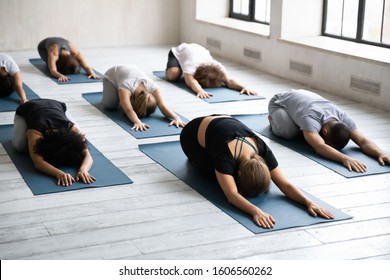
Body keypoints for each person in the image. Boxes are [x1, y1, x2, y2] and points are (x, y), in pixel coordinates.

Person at [180, 114, 333, 228]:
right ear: (238, 173)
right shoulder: (224, 154)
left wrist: (309, 203)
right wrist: (255, 211)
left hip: (222, 122)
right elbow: (232, 195)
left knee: (223, 174)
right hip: (191, 135)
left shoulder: (262, 149)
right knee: (213, 176)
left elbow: (284, 184)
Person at [268, 89, 390, 173]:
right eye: (329, 144)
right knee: (290, 132)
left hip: (301, 99)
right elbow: (320, 147)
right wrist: (345, 158)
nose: (327, 145)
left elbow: (362, 140)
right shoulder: (310, 119)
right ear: (325, 131)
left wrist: (381, 153)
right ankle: (272, 120)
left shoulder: (343, 118)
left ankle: (299, 124)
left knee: (306, 134)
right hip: (279, 103)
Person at [12, 98, 96, 186]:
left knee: (80, 137)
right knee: (21, 146)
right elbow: (37, 162)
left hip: (57, 105)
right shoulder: (35, 131)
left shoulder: (73, 129)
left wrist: (83, 170)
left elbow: (88, 156)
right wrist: (59, 173)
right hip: (27, 108)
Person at [102, 64, 186, 131]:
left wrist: (176, 117)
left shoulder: (154, 87)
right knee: (110, 105)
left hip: (130, 71)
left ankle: (125, 98)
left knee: (124, 100)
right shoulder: (126, 85)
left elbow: (162, 106)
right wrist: (137, 122)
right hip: (111, 76)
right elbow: (129, 110)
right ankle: (121, 95)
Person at [165, 43, 256, 99]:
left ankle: (182, 66)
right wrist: (200, 91)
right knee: (173, 75)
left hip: (198, 50)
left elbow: (229, 80)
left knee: (184, 73)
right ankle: (179, 65)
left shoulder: (218, 66)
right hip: (179, 51)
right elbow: (192, 82)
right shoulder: (191, 66)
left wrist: (243, 87)